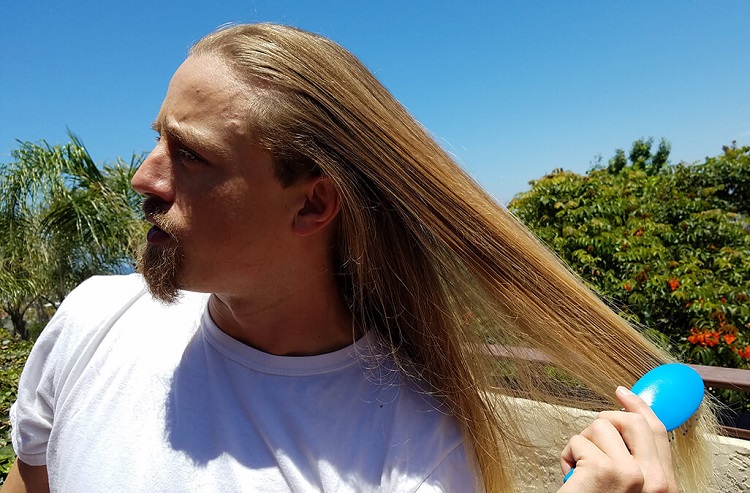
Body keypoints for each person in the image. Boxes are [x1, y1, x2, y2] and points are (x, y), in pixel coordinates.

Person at [5, 24, 714, 492]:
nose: (144, 178)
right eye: (159, 138)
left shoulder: (414, 454)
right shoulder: (90, 318)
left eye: (189, 155)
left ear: (312, 206)